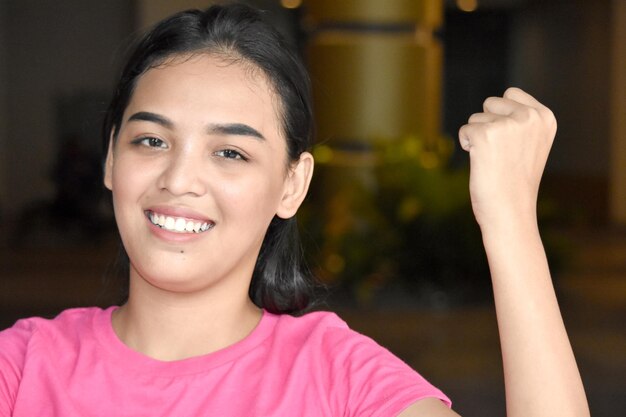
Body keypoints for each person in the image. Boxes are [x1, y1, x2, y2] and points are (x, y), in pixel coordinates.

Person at [0, 4, 589, 417]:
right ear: (110, 160)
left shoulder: (339, 379)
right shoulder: (23, 367)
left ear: (292, 185)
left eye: (229, 152)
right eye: (152, 141)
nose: (178, 179)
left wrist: (510, 220)